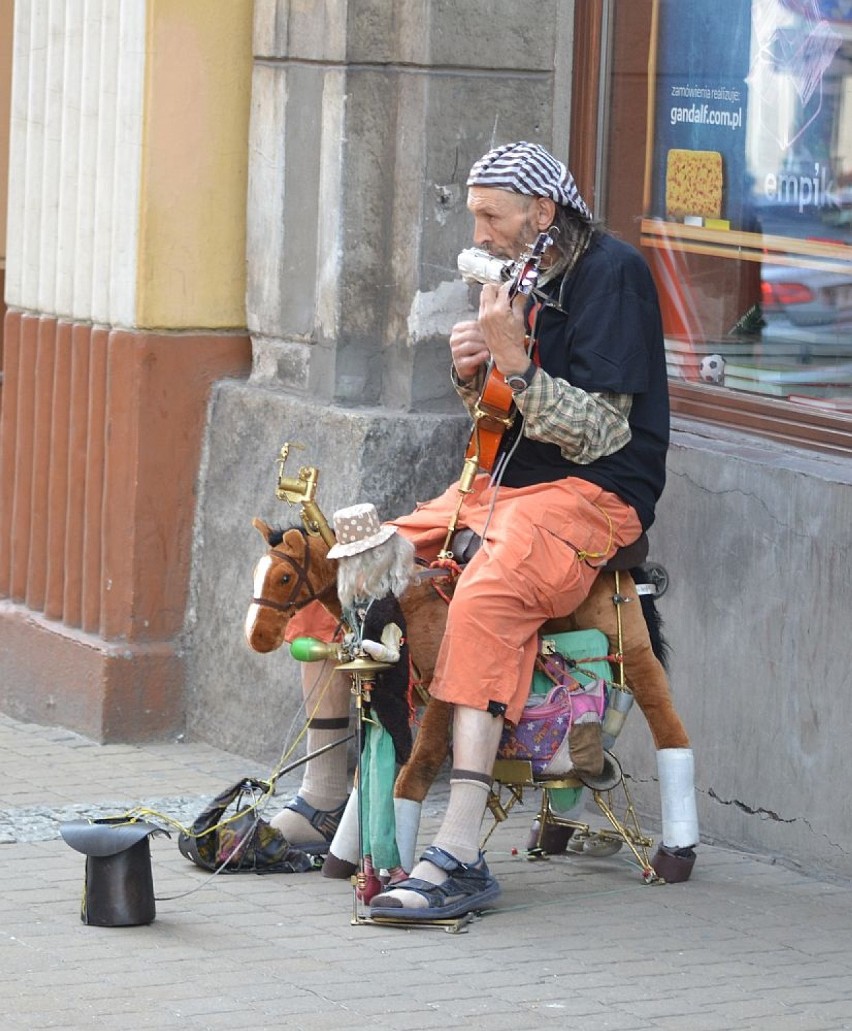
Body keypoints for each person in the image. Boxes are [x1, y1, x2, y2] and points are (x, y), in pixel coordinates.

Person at [367, 140, 671, 921]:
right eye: (476, 216)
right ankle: (320, 804)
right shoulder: (522, 279)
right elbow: (501, 421)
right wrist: (475, 372)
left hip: (597, 492)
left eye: (491, 216)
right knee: (361, 558)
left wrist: (514, 360)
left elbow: (602, 434)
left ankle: (461, 849)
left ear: (542, 213)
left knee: (489, 593)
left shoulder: (614, 276)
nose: (482, 231)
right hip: (510, 486)